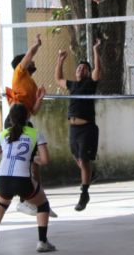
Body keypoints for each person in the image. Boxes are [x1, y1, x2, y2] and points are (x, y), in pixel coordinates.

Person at [0, 103, 56, 252]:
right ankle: (42, 242)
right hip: (22, 180)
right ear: (28, 117)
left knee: (1, 203)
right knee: (42, 205)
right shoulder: (36, 134)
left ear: (11, 118)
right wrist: (34, 159)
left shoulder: (3, 134)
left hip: (2, 178)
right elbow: (45, 160)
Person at [4, 34, 56, 217]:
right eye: (30, 59)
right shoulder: (19, 73)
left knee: (33, 162)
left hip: (25, 120)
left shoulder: (31, 85)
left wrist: (40, 99)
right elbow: (28, 56)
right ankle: (24, 201)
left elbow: (33, 111)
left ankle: (36, 201)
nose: (32, 61)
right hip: (14, 121)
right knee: (22, 159)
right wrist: (36, 45)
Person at [55, 38, 101, 212]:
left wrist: (96, 51)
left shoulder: (90, 84)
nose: (81, 68)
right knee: (77, 158)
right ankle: (90, 175)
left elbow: (97, 70)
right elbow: (58, 78)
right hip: (73, 128)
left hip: (87, 129)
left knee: (83, 159)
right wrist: (60, 61)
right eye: (79, 67)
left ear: (88, 72)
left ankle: (84, 193)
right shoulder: (72, 85)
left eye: (85, 68)